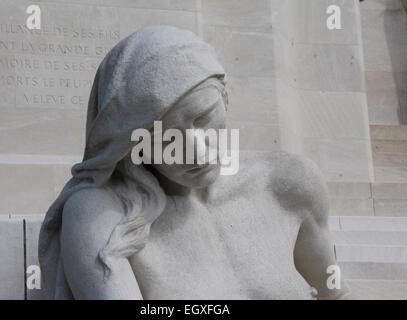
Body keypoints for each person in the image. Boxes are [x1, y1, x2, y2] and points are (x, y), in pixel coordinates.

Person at [38, 25, 350, 300]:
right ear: (132, 144)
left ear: (224, 99)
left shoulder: (288, 183)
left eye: (203, 118)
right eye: (164, 137)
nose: (198, 152)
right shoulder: (100, 216)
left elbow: (334, 295)